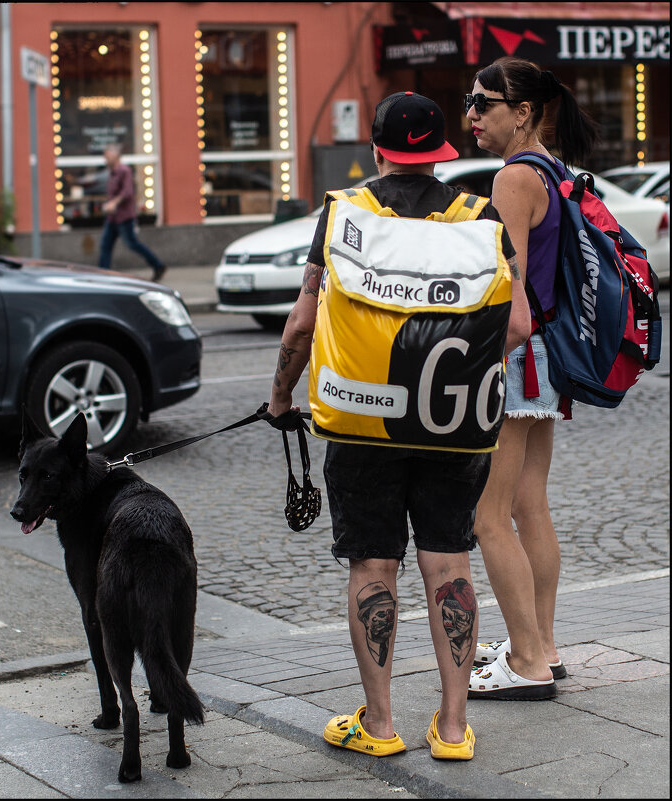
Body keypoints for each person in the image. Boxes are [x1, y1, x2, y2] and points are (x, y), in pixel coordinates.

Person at [263, 91, 529, 761]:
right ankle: (452, 727)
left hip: (360, 421)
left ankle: (379, 726)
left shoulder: (345, 214)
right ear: (441, 151)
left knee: (374, 561)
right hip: (455, 423)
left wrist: (279, 395)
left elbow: (300, 323)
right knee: (450, 558)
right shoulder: (480, 217)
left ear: (377, 149)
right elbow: (520, 324)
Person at [465, 58, 598, 700]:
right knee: (529, 503)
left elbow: (510, 303)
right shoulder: (552, 168)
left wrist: (480, 365)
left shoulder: (513, 177)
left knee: (488, 514)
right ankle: (543, 643)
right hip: (549, 357)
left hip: (518, 356)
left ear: (521, 112)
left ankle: (525, 663)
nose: (470, 116)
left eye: (482, 104)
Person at [98, 144, 166, 281]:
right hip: (113, 218)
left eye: (107, 157)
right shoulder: (112, 173)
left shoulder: (124, 171)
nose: (105, 160)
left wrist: (114, 203)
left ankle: (158, 265)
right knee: (105, 245)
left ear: (115, 156)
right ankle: (102, 275)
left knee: (132, 244)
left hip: (124, 217)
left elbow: (127, 192)